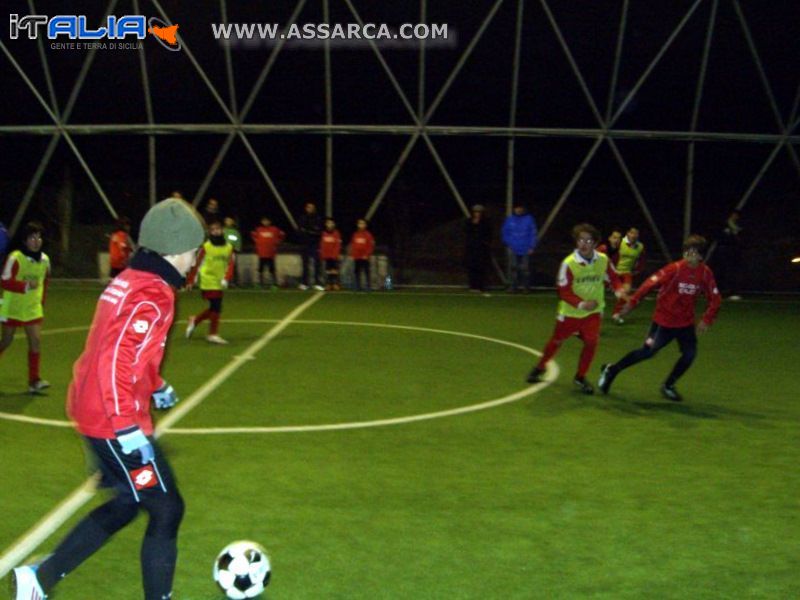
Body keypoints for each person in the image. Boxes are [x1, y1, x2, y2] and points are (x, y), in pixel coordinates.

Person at [11, 198, 206, 600]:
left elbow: (125, 349)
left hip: (91, 407)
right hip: (112, 419)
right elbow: (116, 359)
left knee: (127, 501)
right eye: (193, 251)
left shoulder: (131, 279)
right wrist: (126, 427)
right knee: (166, 507)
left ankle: (40, 580)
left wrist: (155, 384)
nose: (194, 260)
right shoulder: (154, 294)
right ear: (175, 250)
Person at [598, 234, 721, 402]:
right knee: (647, 352)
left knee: (689, 354)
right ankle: (612, 370)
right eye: (686, 251)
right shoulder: (674, 269)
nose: (687, 255)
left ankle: (668, 385)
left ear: (700, 256)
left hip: (685, 324)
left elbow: (715, 298)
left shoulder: (705, 273)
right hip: (663, 322)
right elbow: (649, 283)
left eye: (692, 252)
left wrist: (707, 319)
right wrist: (632, 302)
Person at [526, 223, 627, 394]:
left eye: (588, 240)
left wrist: (618, 290)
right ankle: (540, 367)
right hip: (570, 313)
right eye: (580, 240)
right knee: (557, 340)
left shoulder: (603, 260)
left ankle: (580, 377)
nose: (584, 244)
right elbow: (563, 291)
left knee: (591, 342)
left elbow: (613, 277)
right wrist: (581, 304)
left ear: (595, 243)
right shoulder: (569, 263)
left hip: (593, 312)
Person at [0, 221, 51, 394]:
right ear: (25, 240)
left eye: (39, 237)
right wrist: (25, 286)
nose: (36, 241)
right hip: (12, 307)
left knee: (35, 341)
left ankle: (34, 381)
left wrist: (41, 303)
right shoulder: (15, 258)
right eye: (32, 238)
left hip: (32, 308)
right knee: (6, 341)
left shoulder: (45, 260)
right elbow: (4, 282)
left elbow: (45, 283)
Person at [185, 220, 235, 344]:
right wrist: (190, 280)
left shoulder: (228, 247)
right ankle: (212, 334)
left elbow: (231, 264)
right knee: (216, 306)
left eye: (218, 229)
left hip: (219, 281)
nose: (216, 232)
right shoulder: (206, 247)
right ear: (210, 232)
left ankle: (195, 320)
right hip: (207, 279)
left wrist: (226, 278)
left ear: (222, 231)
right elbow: (196, 264)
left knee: (214, 307)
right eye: (213, 230)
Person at [611, 227, 646, 324]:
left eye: (636, 233)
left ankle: (616, 314)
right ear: (627, 233)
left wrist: (638, 270)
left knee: (626, 291)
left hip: (626, 272)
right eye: (632, 233)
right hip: (613, 272)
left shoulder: (640, 246)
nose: (634, 235)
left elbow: (642, 260)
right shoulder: (620, 242)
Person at [502, 203, 537, 292]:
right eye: (517, 208)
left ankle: (526, 287)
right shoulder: (509, 219)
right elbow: (505, 233)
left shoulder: (529, 219)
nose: (518, 210)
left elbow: (533, 233)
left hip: (526, 247)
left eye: (520, 208)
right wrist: (509, 244)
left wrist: (531, 246)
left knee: (526, 268)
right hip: (513, 248)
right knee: (513, 268)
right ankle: (513, 287)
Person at [714, 209, 743, 300]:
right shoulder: (723, 225)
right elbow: (719, 237)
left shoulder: (739, 226)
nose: (735, 216)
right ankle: (718, 291)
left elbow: (741, 238)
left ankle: (732, 292)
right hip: (723, 252)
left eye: (736, 215)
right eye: (733, 214)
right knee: (721, 271)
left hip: (734, 252)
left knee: (733, 272)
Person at [251, 216, 285, 289]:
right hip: (262, 253)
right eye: (264, 221)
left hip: (271, 253)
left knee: (272, 269)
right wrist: (258, 244)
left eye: (267, 221)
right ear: (262, 222)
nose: (265, 222)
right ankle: (260, 283)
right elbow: (253, 236)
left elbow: (282, 235)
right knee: (260, 269)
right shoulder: (259, 229)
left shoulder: (274, 229)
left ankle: (274, 284)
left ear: (270, 222)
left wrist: (277, 242)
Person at [464, 204, 492, 293]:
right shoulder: (469, 221)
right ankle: (473, 286)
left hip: (482, 249)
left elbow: (489, 234)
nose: (477, 214)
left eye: (479, 212)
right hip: (471, 248)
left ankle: (480, 286)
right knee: (471, 267)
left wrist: (485, 243)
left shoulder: (486, 222)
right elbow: (466, 233)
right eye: (476, 212)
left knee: (481, 267)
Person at [297, 202, 324, 290]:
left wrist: (309, 231)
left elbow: (318, 232)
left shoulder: (318, 218)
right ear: (306, 208)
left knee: (317, 264)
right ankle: (304, 283)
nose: (310, 209)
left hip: (315, 244)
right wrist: (308, 232)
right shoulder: (303, 218)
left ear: (314, 209)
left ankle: (317, 283)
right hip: (304, 244)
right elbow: (300, 230)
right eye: (308, 207)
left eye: (311, 207)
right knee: (305, 264)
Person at [349, 218, 375, 291]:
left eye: (363, 223)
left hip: (365, 257)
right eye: (360, 223)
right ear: (357, 225)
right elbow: (353, 245)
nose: (361, 225)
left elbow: (370, 246)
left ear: (365, 225)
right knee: (357, 271)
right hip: (357, 257)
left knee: (366, 271)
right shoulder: (355, 234)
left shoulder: (368, 235)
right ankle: (357, 286)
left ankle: (368, 286)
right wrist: (353, 254)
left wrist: (367, 255)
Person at [320, 217, 342, 291]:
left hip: (334, 256)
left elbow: (337, 245)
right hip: (327, 255)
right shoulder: (324, 233)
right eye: (328, 223)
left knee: (335, 270)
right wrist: (323, 254)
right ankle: (328, 284)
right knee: (328, 270)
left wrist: (335, 254)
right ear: (326, 224)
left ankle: (335, 284)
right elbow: (322, 245)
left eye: (331, 223)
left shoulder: (336, 233)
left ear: (334, 224)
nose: (329, 224)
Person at [222, 217, 242, 287]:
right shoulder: (222, 230)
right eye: (227, 220)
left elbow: (238, 241)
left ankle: (233, 282)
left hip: (231, 252)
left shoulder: (235, 232)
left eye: (230, 221)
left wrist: (237, 248)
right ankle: (223, 281)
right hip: (221, 251)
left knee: (233, 267)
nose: (228, 222)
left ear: (233, 222)